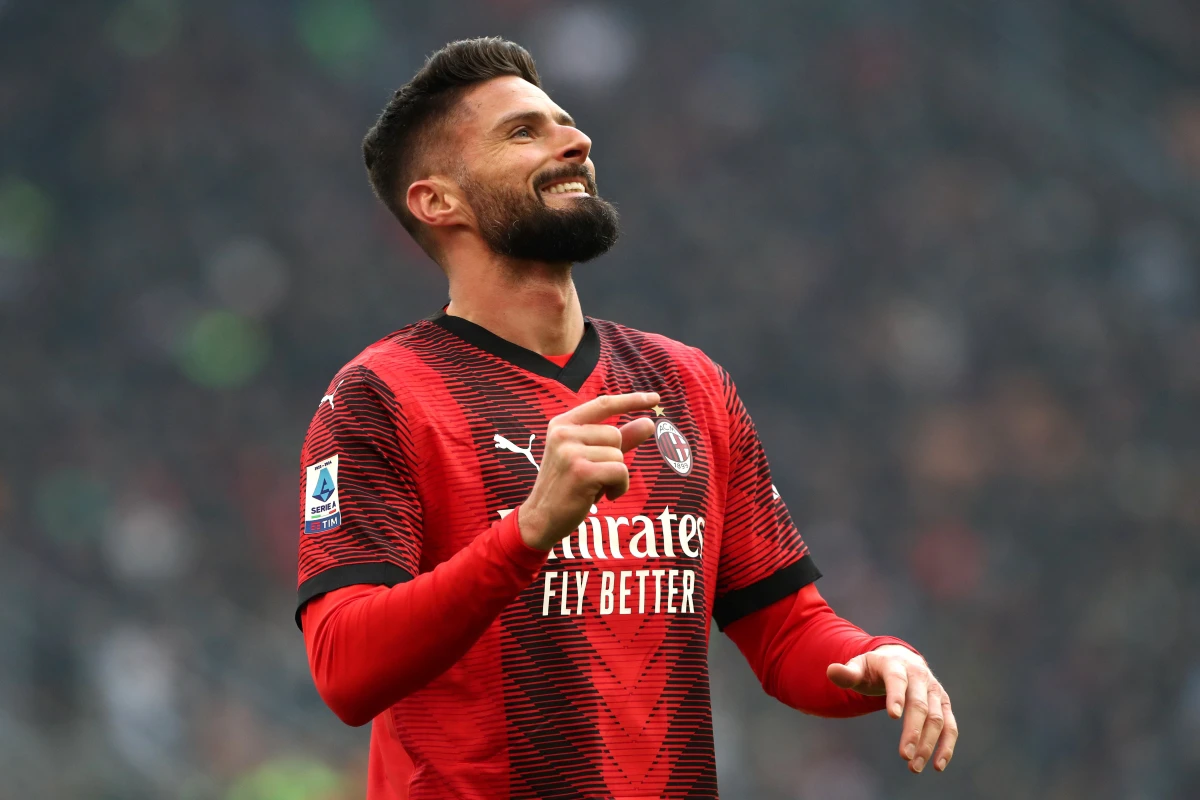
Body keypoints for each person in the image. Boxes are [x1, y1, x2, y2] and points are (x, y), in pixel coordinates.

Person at [296, 36, 958, 800]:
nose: (574, 140)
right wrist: (527, 530)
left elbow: (786, 632)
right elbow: (344, 670)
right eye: (523, 132)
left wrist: (875, 659)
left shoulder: (688, 383)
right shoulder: (382, 395)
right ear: (437, 199)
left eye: (566, 123)